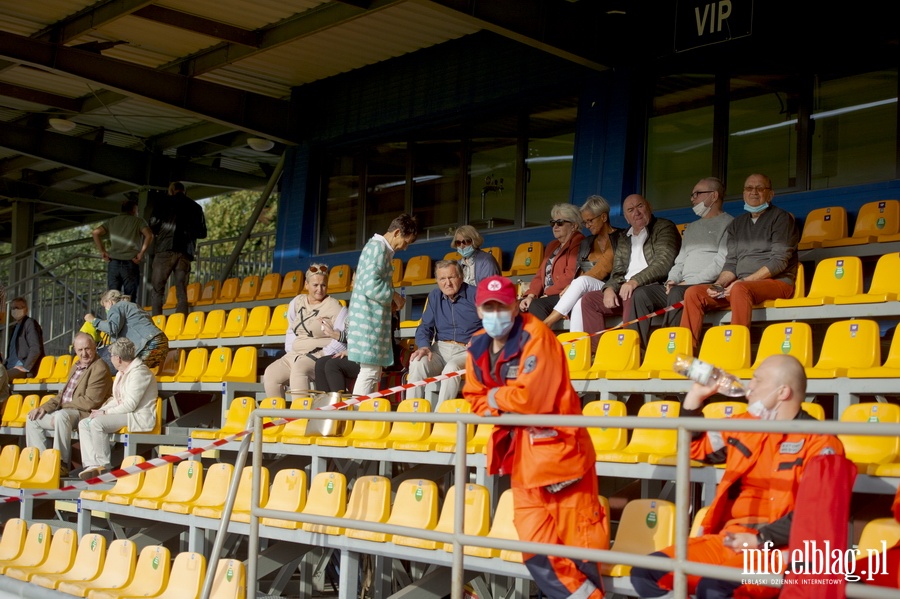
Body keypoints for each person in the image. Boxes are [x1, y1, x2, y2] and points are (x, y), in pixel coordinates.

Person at [630, 354, 844, 599]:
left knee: (713, 588)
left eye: (757, 380)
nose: (749, 386)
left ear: (782, 392)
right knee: (645, 572)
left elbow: (816, 513)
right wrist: (694, 400)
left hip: (779, 549)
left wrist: (761, 540)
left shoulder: (821, 442)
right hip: (730, 538)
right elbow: (695, 449)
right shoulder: (745, 424)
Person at [464, 276, 608, 599]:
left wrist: (496, 398)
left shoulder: (537, 336)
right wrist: (504, 401)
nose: (495, 312)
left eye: (501, 306)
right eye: (488, 307)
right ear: (479, 309)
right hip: (522, 463)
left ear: (515, 305)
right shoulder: (476, 346)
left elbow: (532, 399)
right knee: (535, 549)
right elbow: (473, 398)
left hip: (564, 459)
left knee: (580, 550)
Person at [680, 173, 800, 352]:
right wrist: (719, 284)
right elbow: (731, 263)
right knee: (694, 293)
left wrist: (744, 281)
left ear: (771, 194)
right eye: (749, 188)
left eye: (760, 188)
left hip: (777, 282)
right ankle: (685, 352)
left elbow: (779, 261)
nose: (754, 192)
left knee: (739, 289)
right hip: (742, 286)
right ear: (743, 193)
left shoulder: (781, 218)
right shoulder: (737, 224)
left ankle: (735, 350)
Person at [627, 178, 732, 347]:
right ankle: (635, 350)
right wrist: (672, 279)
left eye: (697, 194)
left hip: (706, 287)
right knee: (641, 294)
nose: (692, 199)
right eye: (692, 195)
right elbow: (680, 260)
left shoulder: (730, 224)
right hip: (681, 285)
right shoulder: (691, 227)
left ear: (714, 196)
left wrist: (686, 283)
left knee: (677, 293)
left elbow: (721, 263)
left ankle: (669, 347)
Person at [573, 195, 680, 348]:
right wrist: (609, 288)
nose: (636, 212)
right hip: (627, 289)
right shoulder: (625, 237)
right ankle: (599, 354)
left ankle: (631, 351)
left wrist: (634, 282)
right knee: (590, 300)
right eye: (630, 210)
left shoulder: (664, 227)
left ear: (649, 206)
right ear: (626, 217)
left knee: (635, 294)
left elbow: (663, 263)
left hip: (656, 288)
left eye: (640, 206)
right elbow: (618, 272)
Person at [347, 213, 418, 397]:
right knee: (370, 372)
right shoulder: (377, 249)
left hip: (370, 319)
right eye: (406, 241)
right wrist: (394, 296)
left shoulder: (379, 249)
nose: (405, 247)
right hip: (368, 321)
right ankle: (357, 416)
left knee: (373, 372)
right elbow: (371, 285)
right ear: (396, 233)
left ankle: (360, 414)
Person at [25, 332, 112, 476]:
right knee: (32, 418)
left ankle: (60, 463)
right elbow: (62, 395)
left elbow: (90, 401)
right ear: (75, 351)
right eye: (80, 350)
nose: (84, 354)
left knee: (61, 416)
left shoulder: (100, 368)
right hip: (67, 411)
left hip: (84, 413)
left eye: (87, 349)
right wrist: (44, 408)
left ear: (95, 348)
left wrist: (60, 408)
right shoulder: (75, 366)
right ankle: (41, 463)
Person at [77, 338, 158, 480]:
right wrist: (99, 411)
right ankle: (91, 465)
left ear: (118, 358)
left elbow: (130, 405)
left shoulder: (140, 373)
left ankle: (104, 467)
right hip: (125, 414)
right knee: (85, 422)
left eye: (112, 356)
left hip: (137, 416)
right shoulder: (122, 373)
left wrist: (105, 413)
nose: (111, 359)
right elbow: (116, 399)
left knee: (98, 423)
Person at [263, 264, 348, 398]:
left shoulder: (335, 306)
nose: (319, 289)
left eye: (323, 285)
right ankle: (279, 417)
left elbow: (343, 339)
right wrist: (290, 350)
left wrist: (325, 353)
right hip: (295, 354)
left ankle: (301, 416)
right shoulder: (297, 301)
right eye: (315, 285)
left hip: (318, 355)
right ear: (306, 284)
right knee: (271, 373)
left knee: (299, 369)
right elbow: (291, 329)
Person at [406, 260, 481, 409]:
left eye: (451, 277)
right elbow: (425, 326)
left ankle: (441, 418)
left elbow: (494, 323)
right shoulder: (434, 296)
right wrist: (424, 346)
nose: (447, 283)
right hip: (440, 349)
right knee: (417, 362)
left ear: (461, 276)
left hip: (468, 350)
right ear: (437, 281)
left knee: (451, 368)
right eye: (442, 279)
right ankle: (411, 416)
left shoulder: (476, 294)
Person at [544, 195, 621, 329]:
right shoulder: (587, 242)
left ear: (603, 217)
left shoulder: (621, 237)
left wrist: (573, 285)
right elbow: (580, 270)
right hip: (594, 287)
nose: (587, 225)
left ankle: (547, 323)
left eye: (590, 221)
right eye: (585, 222)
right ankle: (577, 346)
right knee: (579, 302)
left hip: (615, 286)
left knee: (580, 282)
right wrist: (574, 286)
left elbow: (604, 266)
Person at [149, 181, 208, 316]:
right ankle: (181, 320)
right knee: (181, 288)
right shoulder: (196, 207)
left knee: (158, 289)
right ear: (184, 191)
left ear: (171, 190)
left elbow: (153, 225)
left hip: (165, 249)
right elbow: (202, 233)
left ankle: (157, 321)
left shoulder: (162, 203)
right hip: (185, 252)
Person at [519, 203, 586, 321]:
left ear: (574, 226)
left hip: (564, 294)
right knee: (512, 306)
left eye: (560, 223)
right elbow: (540, 275)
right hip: (546, 295)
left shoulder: (579, 242)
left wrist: (548, 293)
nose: (555, 226)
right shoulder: (552, 245)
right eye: (553, 223)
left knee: (537, 305)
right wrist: (530, 295)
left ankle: (544, 339)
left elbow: (570, 275)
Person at [85, 289, 169, 371]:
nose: (106, 310)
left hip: (149, 344)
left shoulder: (116, 307)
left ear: (109, 302)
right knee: (136, 373)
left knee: (130, 371)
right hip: (161, 341)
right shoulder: (134, 306)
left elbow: (112, 328)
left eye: (104, 306)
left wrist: (94, 320)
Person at [91, 197, 154, 302]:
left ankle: (113, 318)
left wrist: (103, 251)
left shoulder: (112, 221)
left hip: (113, 262)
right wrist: (141, 253)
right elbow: (149, 235)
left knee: (112, 297)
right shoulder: (138, 221)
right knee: (130, 297)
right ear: (134, 210)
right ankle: (128, 318)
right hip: (130, 262)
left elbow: (95, 233)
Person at [4, 297, 46, 380]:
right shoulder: (15, 327)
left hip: (22, 368)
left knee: (2, 377)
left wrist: (25, 367)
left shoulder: (29, 323)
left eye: (18, 308)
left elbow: (35, 348)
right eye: (13, 308)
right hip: (9, 367)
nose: (15, 310)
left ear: (26, 310)